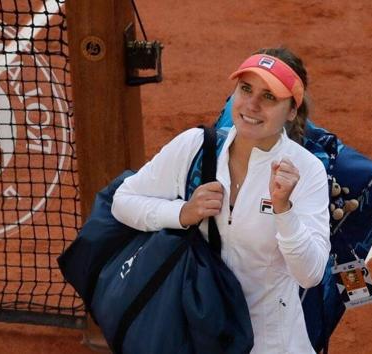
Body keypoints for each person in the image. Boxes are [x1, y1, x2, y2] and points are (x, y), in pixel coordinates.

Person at [111, 47, 330, 353]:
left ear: (292, 110)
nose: (251, 105)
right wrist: (182, 212)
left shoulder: (307, 171)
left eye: (269, 97)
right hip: (193, 331)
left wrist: (284, 210)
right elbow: (123, 200)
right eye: (246, 89)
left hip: (268, 342)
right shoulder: (194, 147)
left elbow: (311, 274)